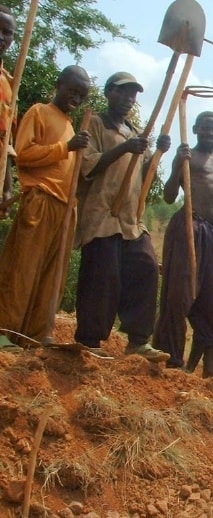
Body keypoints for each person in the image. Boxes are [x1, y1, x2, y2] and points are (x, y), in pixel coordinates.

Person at [74, 72, 171, 361]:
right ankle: (89, 340)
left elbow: (142, 178)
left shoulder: (133, 131)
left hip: (129, 219)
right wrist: (124, 149)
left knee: (145, 268)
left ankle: (138, 341)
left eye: (134, 95)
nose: (130, 100)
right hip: (102, 213)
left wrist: (158, 154)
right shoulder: (95, 123)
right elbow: (88, 165)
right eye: (124, 93)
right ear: (108, 93)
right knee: (102, 277)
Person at [0, 65, 90, 343]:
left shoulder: (71, 124)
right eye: (72, 90)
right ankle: (6, 330)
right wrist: (66, 148)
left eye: (81, 95)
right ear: (58, 84)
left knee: (52, 276)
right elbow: (24, 154)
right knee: (23, 269)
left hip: (65, 207)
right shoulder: (40, 111)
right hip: (41, 200)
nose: (76, 98)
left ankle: (37, 334)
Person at [153, 111, 213, 378]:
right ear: (196, 129)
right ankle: (171, 356)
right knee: (179, 293)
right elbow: (168, 195)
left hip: (212, 233)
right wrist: (177, 166)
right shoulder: (188, 156)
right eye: (206, 129)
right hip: (188, 224)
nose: (210, 134)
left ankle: (210, 366)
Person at [0, 5, 16, 208]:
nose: (1, 37)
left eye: (7, 33)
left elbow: (5, 141)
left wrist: (7, 186)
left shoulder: (8, 83)